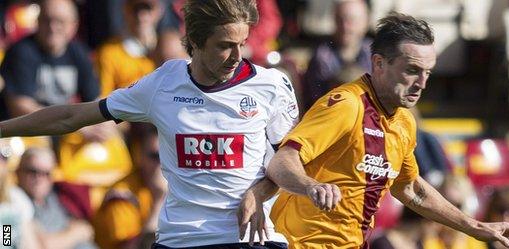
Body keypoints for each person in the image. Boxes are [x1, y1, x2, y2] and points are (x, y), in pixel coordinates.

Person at [0, 0, 299, 248]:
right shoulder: (162, 84)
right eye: (225, 46)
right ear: (195, 41)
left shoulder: (270, 85)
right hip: (182, 240)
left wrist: (259, 192)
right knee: (7, 234)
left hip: (253, 238)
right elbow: (71, 116)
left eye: (243, 44)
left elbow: (290, 159)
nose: (238, 56)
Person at [264, 13, 509, 248]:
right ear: (379, 64)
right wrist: (311, 186)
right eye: (412, 70)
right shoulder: (347, 105)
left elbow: (411, 189)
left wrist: (474, 226)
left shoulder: (404, 122)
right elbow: (282, 161)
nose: (421, 83)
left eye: (427, 73)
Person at [93, 124, 166, 249]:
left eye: (168, 157)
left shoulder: (179, 187)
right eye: (155, 156)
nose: (162, 164)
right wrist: (160, 199)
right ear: (139, 155)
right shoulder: (121, 195)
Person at [15, 147, 97, 249]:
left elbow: (86, 229)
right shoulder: (15, 201)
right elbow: (42, 246)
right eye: (33, 172)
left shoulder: (58, 195)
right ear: (17, 172)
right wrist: (74, 234)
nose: (39, 179)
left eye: (46, 174)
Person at [302, 0, 372, 110]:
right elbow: (316, 101)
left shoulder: (374, 55)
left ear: (365, 22)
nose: (345, 27)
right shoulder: (322, 57)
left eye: (352, 20)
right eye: (340, 19)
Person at [95, 0, 163, 97]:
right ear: (125, 11)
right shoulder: (109, 52)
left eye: (147, 10)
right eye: (136, 10)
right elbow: (102, 98)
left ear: (158, 12)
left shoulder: (169, 48)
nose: (141, 17)